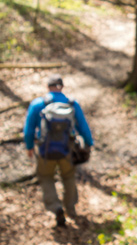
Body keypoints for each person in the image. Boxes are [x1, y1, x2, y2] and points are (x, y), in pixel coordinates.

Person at [23, 75, 93, 227]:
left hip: (45, 151)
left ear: (48, 87)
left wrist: (29, 147)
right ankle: (70, 208)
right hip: (67, 150)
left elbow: (28, 131)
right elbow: (83, 127)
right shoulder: (72, 103)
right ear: (62, 86)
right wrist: (89, 144)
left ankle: (56, 208)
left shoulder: (37, 104)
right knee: (68, 176)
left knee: (46, 177)